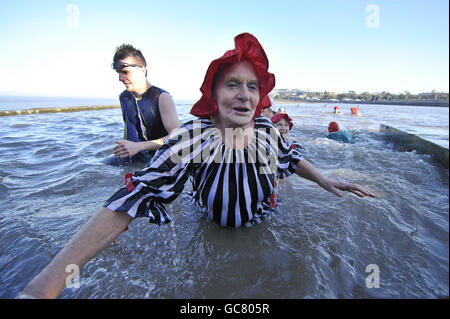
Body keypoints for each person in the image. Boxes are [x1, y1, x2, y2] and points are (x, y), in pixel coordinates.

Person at [20, 33, 375, 299]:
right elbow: (134, 195)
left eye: (252, 86)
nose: (244, 94)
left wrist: (326, 180)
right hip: (209, 217)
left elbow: (290, 159)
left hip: (263, 217)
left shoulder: (267, 130)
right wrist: (45, 286)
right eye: (233, 84)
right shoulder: (193, 138)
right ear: (214, 96)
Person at [105, 44, 180, 166]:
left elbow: (177, 136)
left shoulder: (162, 97)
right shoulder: (124, 97)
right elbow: (128, 128)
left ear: (142, 69)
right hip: (134, 156)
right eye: (118, 72)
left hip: (160, 158)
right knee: (90, 168)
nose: (120, 78)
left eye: (125, 72)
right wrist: (125, 147)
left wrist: (139, 146)